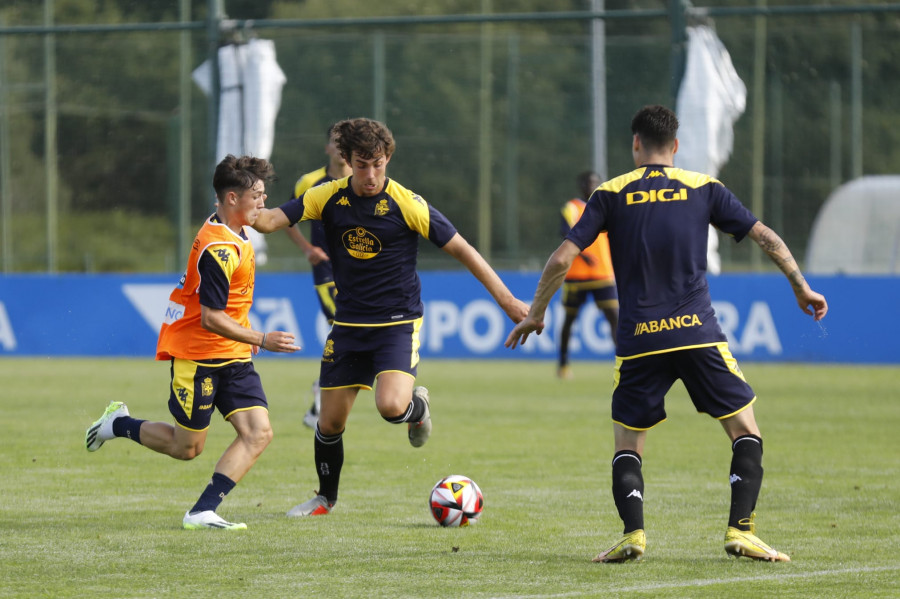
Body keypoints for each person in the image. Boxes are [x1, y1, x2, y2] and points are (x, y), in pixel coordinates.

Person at [505, 105, 827, 562]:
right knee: (744, 430)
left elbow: (560, 260)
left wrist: (536, 313)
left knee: (628, 441)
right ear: (675, 146)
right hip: (698, 333)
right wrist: (802, 287)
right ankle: (741, 531)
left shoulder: (610, 193)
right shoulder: (703, 188)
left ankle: (633, 535)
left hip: (640, 339)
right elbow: (767, 238)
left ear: (635, 143)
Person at [252, 117, 529, 517]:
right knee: (329, 423)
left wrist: (506, 300)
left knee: (390, 408)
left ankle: (417, 408)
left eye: (378, 164)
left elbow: (464, 249)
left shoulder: (406, 203)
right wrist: (245, 195)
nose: (370, 174)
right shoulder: (325, 197)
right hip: (348, 324)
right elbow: (267, 221)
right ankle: (324, 499)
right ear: (346, 160)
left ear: (388, 160)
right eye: (362, 165)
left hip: (397, 322)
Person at [84, 155, 301, 530]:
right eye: (257, 196)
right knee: (186, 448)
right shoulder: (218, 249)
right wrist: (261, 338)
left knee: (258, 432)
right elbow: (211, 317)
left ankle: (202, 510)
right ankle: (118, 424)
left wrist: (322, 198)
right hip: (197, 355)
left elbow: (241, 285)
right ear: (231, 198)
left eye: (264, 195)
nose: (263, 203)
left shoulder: (235, 224)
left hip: (231, 354)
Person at [284, 124, 352, 429]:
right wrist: (308, 248)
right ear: (327, 149)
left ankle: (320, 397)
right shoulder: (310, 182)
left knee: (349, 338)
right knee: (346, 331)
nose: (339, 148)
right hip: (326, 273)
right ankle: (321, 399)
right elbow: (286, 218)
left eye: (345, 143)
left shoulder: (363, 181)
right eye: (335, 143)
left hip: (358, 274)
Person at [556, 170, 619, 379]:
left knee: (615, 319)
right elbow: (566, 233)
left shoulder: (607, 206)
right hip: (577, 274)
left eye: (596, 182)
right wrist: (582, 256)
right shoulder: (572, 207)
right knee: (569, 320)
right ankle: (563, 365)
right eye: (589, 182)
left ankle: (624, 364)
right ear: (581, 185)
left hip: (603, 273)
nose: (592, 186)